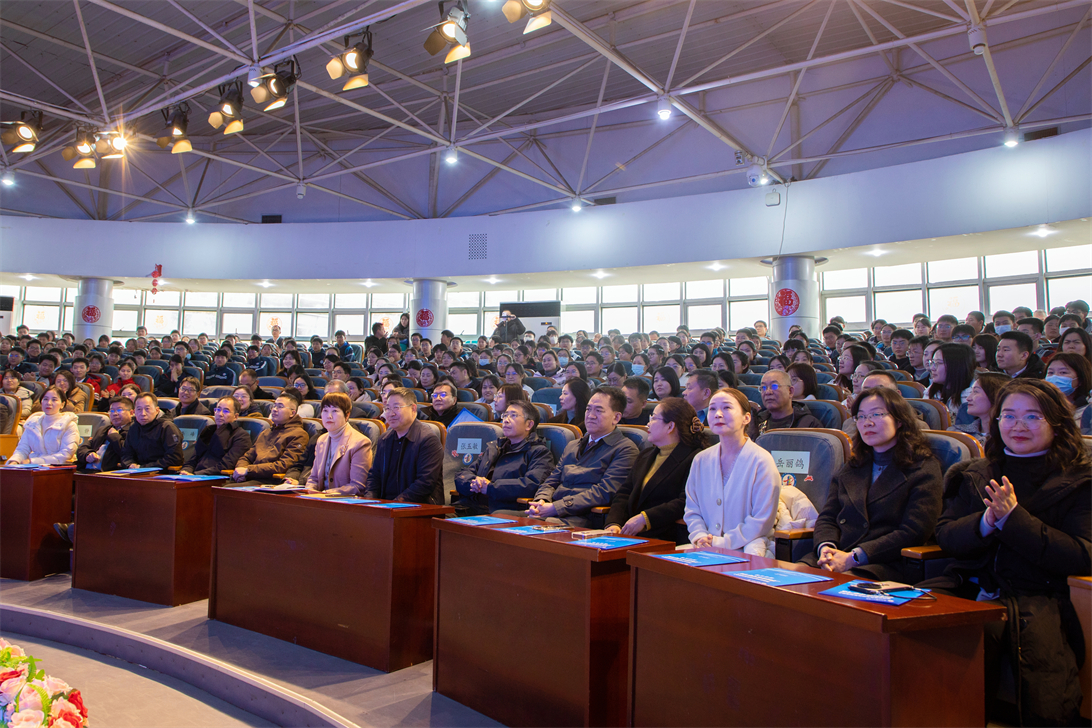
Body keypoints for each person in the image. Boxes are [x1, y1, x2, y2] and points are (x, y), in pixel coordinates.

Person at [928, 379, 1090, 726]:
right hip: (968, 584)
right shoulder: (976, 473)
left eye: (1032, 417)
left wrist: (1014, 520)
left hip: (1040, 594)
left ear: (1057, 423)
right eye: (1009, 416)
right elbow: (946, 537)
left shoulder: (1081, 480)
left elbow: (1081, 555)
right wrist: (986, 522)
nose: (1018, 426)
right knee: (907, 620)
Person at [802, 387, 942, 581]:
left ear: (899, 420)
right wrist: (826, 547)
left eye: (876, 414)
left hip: (884, 562)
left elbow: (914, 531)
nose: (867, 422)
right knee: (786, 581)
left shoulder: (923, 467)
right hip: (837, 554)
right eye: (861, 416)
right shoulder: (853, 466)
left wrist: (854, 557)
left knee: (837, 589)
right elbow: (828, 516)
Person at [683, 387, 780, 556]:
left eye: (726, 407)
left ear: (746, 418)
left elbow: (762, 520)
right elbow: (692, 510)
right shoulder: (701, 459)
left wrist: (721, 542)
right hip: (704, 547)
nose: (718, 414)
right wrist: (699, 536)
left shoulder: (762, 460)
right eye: (712, 408)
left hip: (748, 549)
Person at [525, 387, 638, 526]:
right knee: (505, 519)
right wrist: (541, 501)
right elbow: (552, 480)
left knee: (524, 527)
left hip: (583, 518)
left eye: (599, 410)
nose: (590, 415)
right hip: (552, 512)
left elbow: (604, 492)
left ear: (616, 417)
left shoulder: (625, 449)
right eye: (588, 409)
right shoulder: (573, 445)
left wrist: (556, 507)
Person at [606, 397, 706, 543]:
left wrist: (646, 519)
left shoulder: (694, 458)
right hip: (631, 533)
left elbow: (685, 502)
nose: (648, 424)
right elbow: (624, 492)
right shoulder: (646, 455)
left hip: (665, 535)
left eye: (653, 418)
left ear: (670, 426)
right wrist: (614, 523)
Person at [453, 400, 555, 515]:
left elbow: (531, 485)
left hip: (502, 511)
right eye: (505, 415)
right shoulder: (496, 447)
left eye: (513, 415)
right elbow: (463, 473)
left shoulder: (539, 453)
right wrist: (473, 483)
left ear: (529, 425)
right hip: (470, 506)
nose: (506, 420)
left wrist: (491, 488)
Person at [363, 387, 444, 504]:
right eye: (387, 408)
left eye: (396, 407)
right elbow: (375, 476)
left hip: (417, 506)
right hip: (386, 506)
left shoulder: (428, 440)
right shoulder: (384, 439)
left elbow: (425, 483)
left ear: (413, 409)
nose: (391, 413)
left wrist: (394, 504)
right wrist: (369, 502)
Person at [297, 393, 372, 495]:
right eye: (325, 411)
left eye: (335, 411)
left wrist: (325, 494)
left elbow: (357, 486)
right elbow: (314, 478)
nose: (329, 416)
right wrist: (310, 489)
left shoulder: (360, 443)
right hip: (320, 498)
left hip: (342, 501)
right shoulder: (321, 440)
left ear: (347, 415)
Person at [232, 390, 309, 486]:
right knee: (221, 487)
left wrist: (249, 470)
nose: (275, 409)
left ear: (292, 413)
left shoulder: (299, 435)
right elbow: (247, 457)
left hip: (271, 480)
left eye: (280, 406)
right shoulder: (266, 432)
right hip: (252, 477)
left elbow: (284, 465)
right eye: (274, 406)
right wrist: (241, 469)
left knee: (226, 490)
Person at [7, 386, 79, 465]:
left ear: (62, 404)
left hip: (58, 467)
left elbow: (66, 455)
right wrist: (14, 461)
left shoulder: (69, 425)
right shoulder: (32, 423)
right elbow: (22, 449)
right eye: (45, 399)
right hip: (34, 467)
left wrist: (33, 462)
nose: (49, 403)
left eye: (54, 400)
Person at [182, 396, 252, 475]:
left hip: (216, 477)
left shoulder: (241, 436)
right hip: (194, 476)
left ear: (235, 416)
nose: (220, 414)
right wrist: (186, 471)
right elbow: (193, 459)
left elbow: (225, 466)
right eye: (218, 410)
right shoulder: (208, 431)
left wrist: (196, 475)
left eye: (226, 411)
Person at [120, 393, 184, 469]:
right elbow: (126, 453)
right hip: (136, 471)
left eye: (147, 409)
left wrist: (143, 467)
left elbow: (174, 458)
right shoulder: (133, 428)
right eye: (139, 409)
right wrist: (130, 464)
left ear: (157, 410)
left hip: (161, 471)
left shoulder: (167, 427)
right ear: (134, 412)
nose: (143, 413)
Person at [751, 370, 822, 438]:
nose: (767, 392)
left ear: (790, 391)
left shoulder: (809, 424)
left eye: (774, 386)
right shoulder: (756, 421)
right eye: (763, 387)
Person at [949, 372, 1010, 445]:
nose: (968, 398)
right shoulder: (957, 433)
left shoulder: (1010, 438)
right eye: (971, 392)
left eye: (976, 392)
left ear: (995, 395)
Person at [76, 396, 132, 471]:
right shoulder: (103, 429)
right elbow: (82, 448)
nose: (115, 414)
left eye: (119, 410)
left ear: (131, 412)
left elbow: (127, 453)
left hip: (110, 473)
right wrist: (87, 454)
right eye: (112, 411)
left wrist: (114, 436)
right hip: (88, 470)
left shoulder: (133, 431)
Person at [927, 343, 976, 419]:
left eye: (938, 363)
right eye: (932, 362)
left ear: (956, 366)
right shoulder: (931, 392)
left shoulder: (972, 398)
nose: (932, 368)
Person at [1045, 352, 1091, 422]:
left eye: (1063, 372)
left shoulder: (1088, 411)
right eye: (1050, 373)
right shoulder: (1041, 405)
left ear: (1080, 379)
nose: (1055, 377)